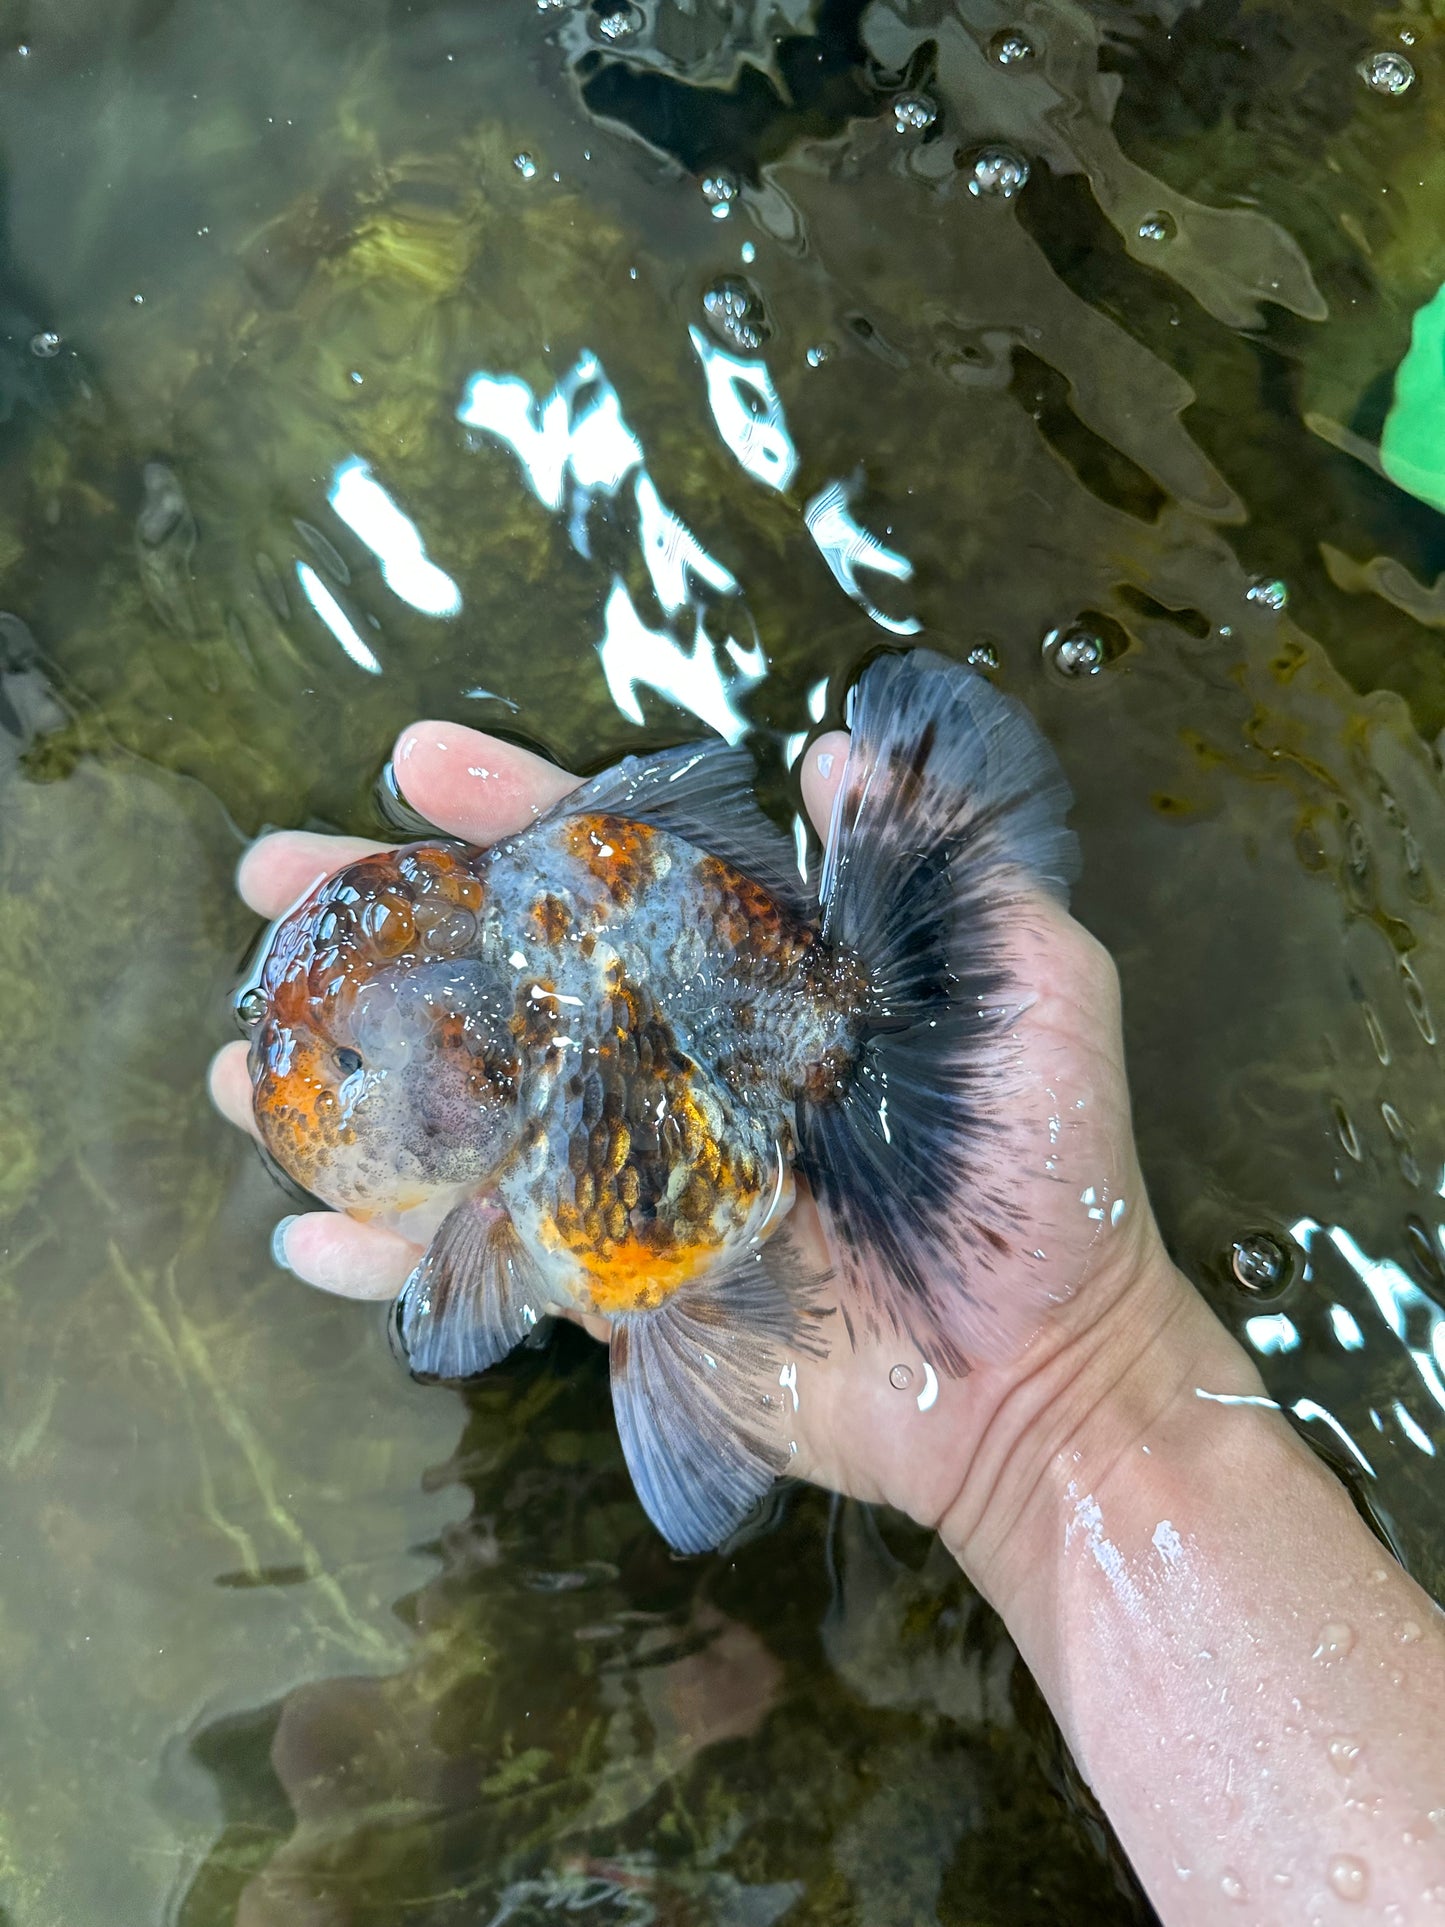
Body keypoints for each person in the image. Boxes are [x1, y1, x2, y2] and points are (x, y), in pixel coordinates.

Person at [209, 710, 1445, 1924]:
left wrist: (1061, 1387)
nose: (298, 1057)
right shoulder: (518, 975)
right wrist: (1068, 1412)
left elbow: (453, 1320)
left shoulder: (524, 1045)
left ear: (472, 1068)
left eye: (343, 1061)